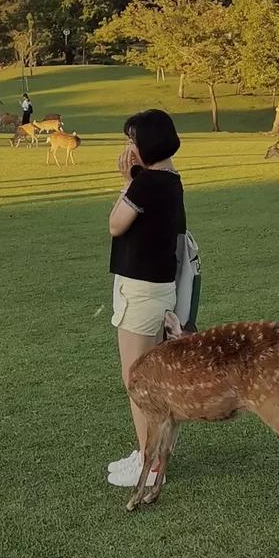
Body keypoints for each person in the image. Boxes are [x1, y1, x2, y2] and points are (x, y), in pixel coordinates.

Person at [107, 109, 186, 489]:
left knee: (137, 381)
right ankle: (148, 455)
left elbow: (115, 223)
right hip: (156, 289)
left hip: (140, 291)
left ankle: (150, 466)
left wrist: (127, 182)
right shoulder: (170, 179)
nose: (128, 149)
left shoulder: (145, 184)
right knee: (149, 381)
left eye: (132, 141)